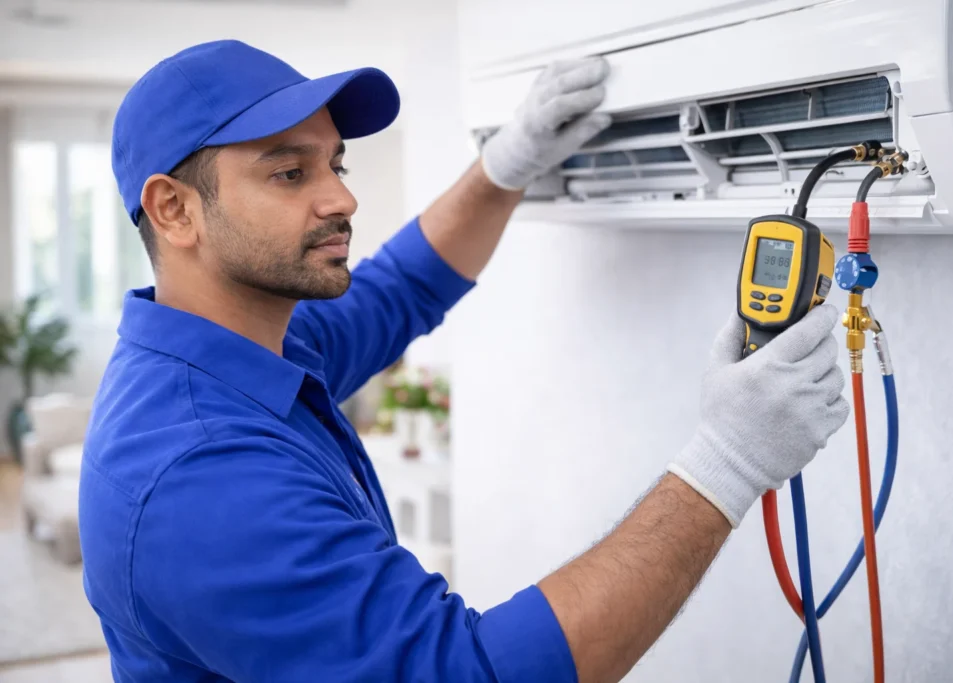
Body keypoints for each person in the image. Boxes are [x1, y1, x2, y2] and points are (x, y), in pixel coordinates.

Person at [79, 39, 849, 683]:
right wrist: (729, 461)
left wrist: (505, 166)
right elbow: (464, 672)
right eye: (290, 172)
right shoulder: (199, 473)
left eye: (335, 165)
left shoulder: (247, 342)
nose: (340, 198)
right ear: (174, 209)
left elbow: (397, 289)